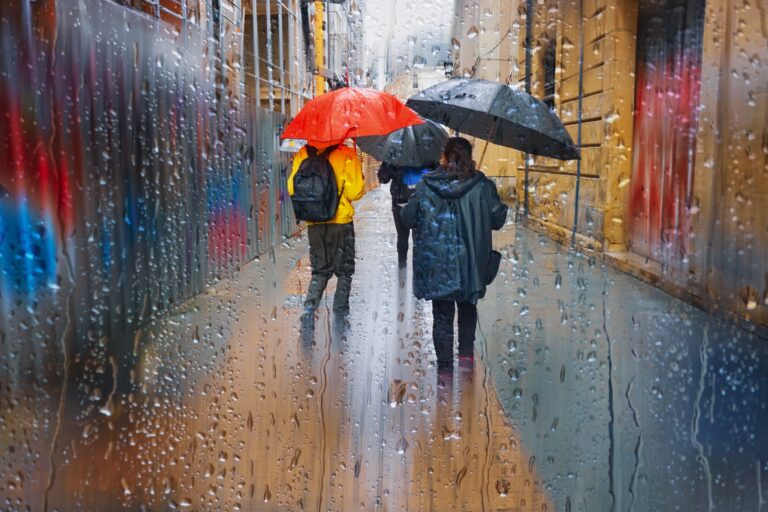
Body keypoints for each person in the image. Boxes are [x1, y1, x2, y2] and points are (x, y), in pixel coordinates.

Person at [401, 137, 508, 369]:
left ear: (444, 157)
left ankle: (445, 368)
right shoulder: (482, 185)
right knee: (468, 307)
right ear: (470, 157)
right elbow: (498, 219)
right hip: (470, 262)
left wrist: (410, 203)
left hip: (437, 263)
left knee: (442, 315)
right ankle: (466, 358)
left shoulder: (425, 185)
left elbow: (408, 219)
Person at [288, 141, 365, 316]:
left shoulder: (302, 153)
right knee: (344, 271)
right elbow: (355, 192)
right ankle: (341, 313)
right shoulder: (347, 153)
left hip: (314, 222)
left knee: (319, 271)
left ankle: (309, 309)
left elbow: (292, 187)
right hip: (341, 222)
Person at [376, 162, 434, 267]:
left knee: (402, 236)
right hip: (422, 201)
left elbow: (383, 178)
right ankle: (420, 268)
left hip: (400, 200)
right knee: (420, 237)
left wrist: (388, 165)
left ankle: (402, 266)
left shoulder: (394, 155)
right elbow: (437, 174)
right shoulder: (427, 154)